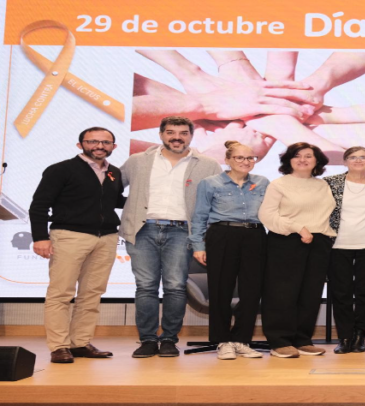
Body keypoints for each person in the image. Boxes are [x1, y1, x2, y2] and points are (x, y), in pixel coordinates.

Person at [120, 116, 222, 358]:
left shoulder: (208, 165)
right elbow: (111, 188)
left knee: (175, 287)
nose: (177, 137)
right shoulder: (137, 161)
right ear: (161, 134)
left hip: (182, 232)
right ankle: (147, 340)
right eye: (171, 132)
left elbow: (218, 200)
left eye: (183, 133)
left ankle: (168, 340)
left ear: (191, 136)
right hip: (143, 230)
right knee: (145, 287)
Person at [29, 127, 125, 363]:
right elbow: (39, 205)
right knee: (61, 293)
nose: (99, 146)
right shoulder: (61, 170)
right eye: (93, 141)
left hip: (106, 238)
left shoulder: (114, 172)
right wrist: (40, 237)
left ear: (114, 146)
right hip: (69, 236)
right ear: (80, 144)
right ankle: (59, 346)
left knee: (92, 294)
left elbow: (114, 201)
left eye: (105, 142)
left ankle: (80, 343)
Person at [190, 141, 270, 360]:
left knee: (252, 291)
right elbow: (199, 216)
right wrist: (198, 245)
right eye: (240, 158)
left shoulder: (262, 182)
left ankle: (241, 340)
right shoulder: (210, 183)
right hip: (222, 235)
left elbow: (270, 212)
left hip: (255, 236)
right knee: (220, 289)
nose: (246, 162)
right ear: (227, 160)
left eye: (250, 158)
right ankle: (223, 340)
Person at [259, 142, 336, 358]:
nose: (303, 159)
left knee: (310, 293)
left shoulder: (322, 185)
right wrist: (297, 228)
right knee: (281, 293)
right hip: (287, 241)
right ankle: (279, 341)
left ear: (317, 161)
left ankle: (302, 339)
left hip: (318, 242)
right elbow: (268, 215)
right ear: (289, 160)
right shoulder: (279, 184)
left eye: (308, 156)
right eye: (297, 155)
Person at [323, 147, 365, 354]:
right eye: (353, 157)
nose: (358, 160)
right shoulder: (330, 182)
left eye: (364, 157)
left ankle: (360, 335)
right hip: (337, 245)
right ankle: (344, 337)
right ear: (345, 161)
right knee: (340, 293)